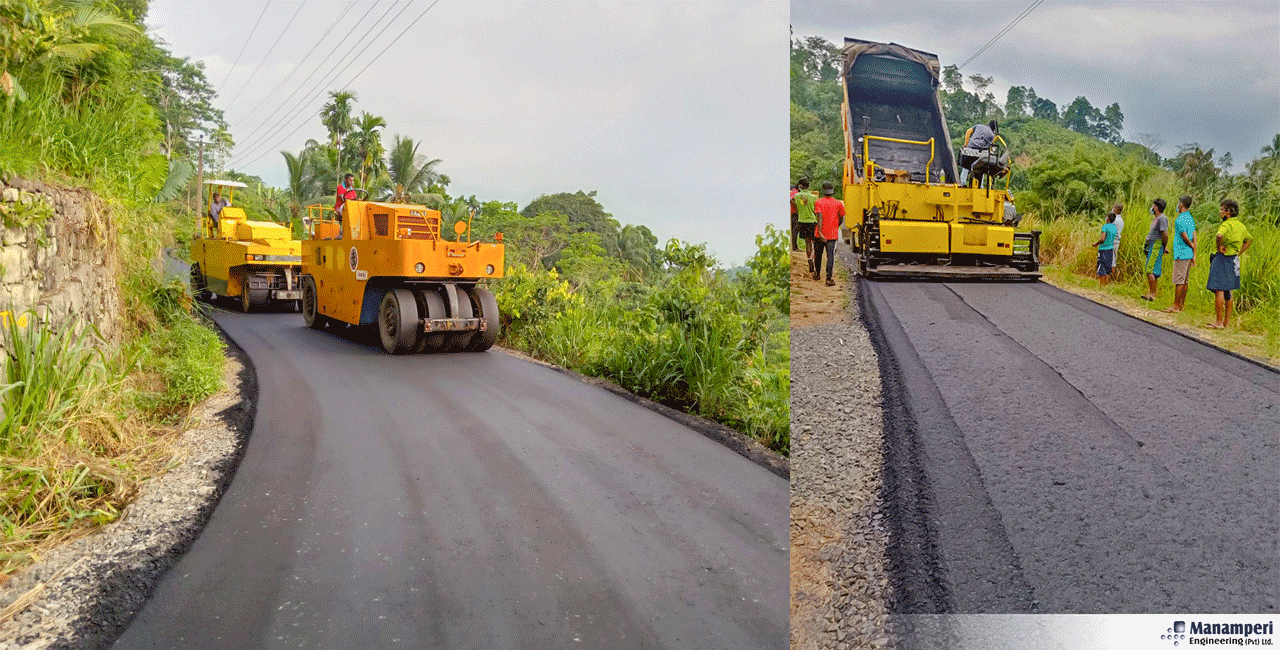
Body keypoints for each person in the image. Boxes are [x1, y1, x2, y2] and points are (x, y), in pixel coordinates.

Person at [1205, 198, 1253, 329]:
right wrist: (1239, 252)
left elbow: (1219, 236)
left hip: (1222, 257)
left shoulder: (1226, 224)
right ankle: (1226, 322)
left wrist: (1219, 246)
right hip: (1233, 260)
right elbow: (1249, 239)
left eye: (1221, 209)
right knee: (1229, 289)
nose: (1219, 212)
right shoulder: (1241, 226)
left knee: (1219, 289)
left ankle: (1218, 322)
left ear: (1228, 212)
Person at [1162, 195, 1197, 314]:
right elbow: (1194, 235)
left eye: (1178, 203)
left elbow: (1184, 236)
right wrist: (1194, 252)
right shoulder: (1190, 218)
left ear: (1181, 204)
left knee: (1179, 280)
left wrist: (1191, 245)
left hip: (1181, 252)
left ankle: (1175, 306)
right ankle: (1181, 305)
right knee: (1185, 280)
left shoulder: (1180, 219)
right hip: (1188, 254)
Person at [813, 182, 845, 286]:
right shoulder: (838, 203)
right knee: (830, 256)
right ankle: (828, 278)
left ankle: (817, 274)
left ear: (823, 190)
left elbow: (819, 217)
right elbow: (841, 218)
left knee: (818, 255)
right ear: (832, 191)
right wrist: (835, 226)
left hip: (819, 234)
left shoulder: (818, 202)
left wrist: (821, 232)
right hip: (832, 234)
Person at [1140, 198, 1169, 301]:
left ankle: (1152, 294)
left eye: (1153, 205)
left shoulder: (1162, 218)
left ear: (1156, 207)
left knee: (1150, 269)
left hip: (1156, 245)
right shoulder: (1156, 218)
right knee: (1154, 270)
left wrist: (1164, 246)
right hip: (1152, 244)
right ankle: (1151, 293)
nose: (1152, 207)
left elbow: (1165, 234)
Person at [791, 178, 818, 273]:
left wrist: (798, 211)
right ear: (809, 185)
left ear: (800, 186)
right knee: (814, 242)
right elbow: (816, 210)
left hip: (801, 221)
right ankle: (813, 259)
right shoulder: (814, 197)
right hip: (812, 221)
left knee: (807, 243)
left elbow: (792, 201)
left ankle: (809, 259)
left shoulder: (797, 196)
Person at [960, 119, 997, 186]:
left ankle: (963, 183)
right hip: (982, 153)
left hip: (970, 150)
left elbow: (968, 132)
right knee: (981, 168)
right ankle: (981, 186)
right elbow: (991, 147)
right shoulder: (992, 135)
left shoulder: (979, 126)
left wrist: (966, 144)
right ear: (994, 129)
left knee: (966, 166)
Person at [1093, 212, 1118, 286]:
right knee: (1107, 269)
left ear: (1108, 218)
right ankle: (1106, 285)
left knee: (1102, 268)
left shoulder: (1105, 227)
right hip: (1110, 249)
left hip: (1103, 249)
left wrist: (1096, 244)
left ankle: (1101, 285)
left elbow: (1102, 239)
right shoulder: (1114, 228)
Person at [790, 182, 800, 251]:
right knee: (795, 231)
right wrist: (796, 210)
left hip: (793, 213)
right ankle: (794, 247)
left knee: (794, 231)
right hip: (794, 213)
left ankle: (795, 246)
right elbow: (792, 200)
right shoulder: (795, 192)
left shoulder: (794, 191)